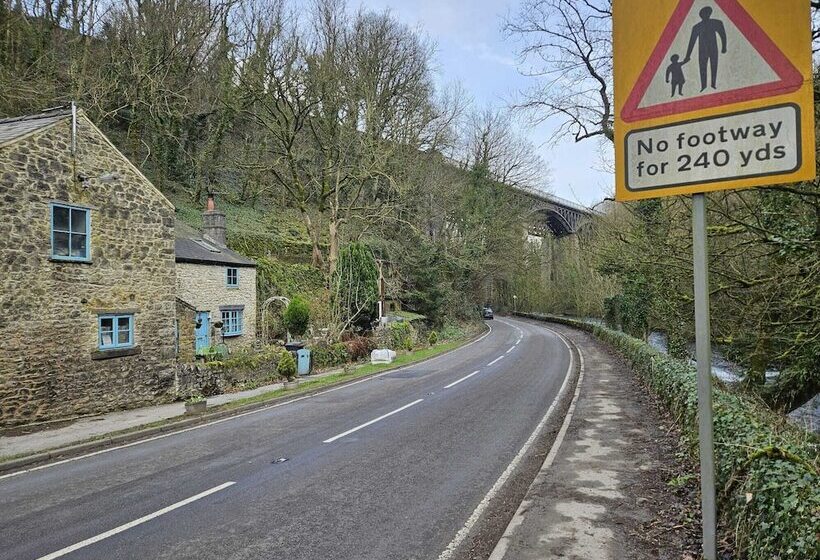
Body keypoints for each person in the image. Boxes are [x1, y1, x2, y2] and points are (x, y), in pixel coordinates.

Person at [683, 6, 728, 91]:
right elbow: (691, 42)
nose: (706, 15)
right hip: (702, 50)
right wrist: (688, 56)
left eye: (707, 13)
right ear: (701, 15)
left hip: (713, 49)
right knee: (702, 68)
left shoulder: (716, 23)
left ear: (710, 13)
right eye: (704, 13)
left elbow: (723, 35)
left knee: (714, 66)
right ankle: (703, 86)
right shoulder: (697, 27)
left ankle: (713, 84)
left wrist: (724, 47)